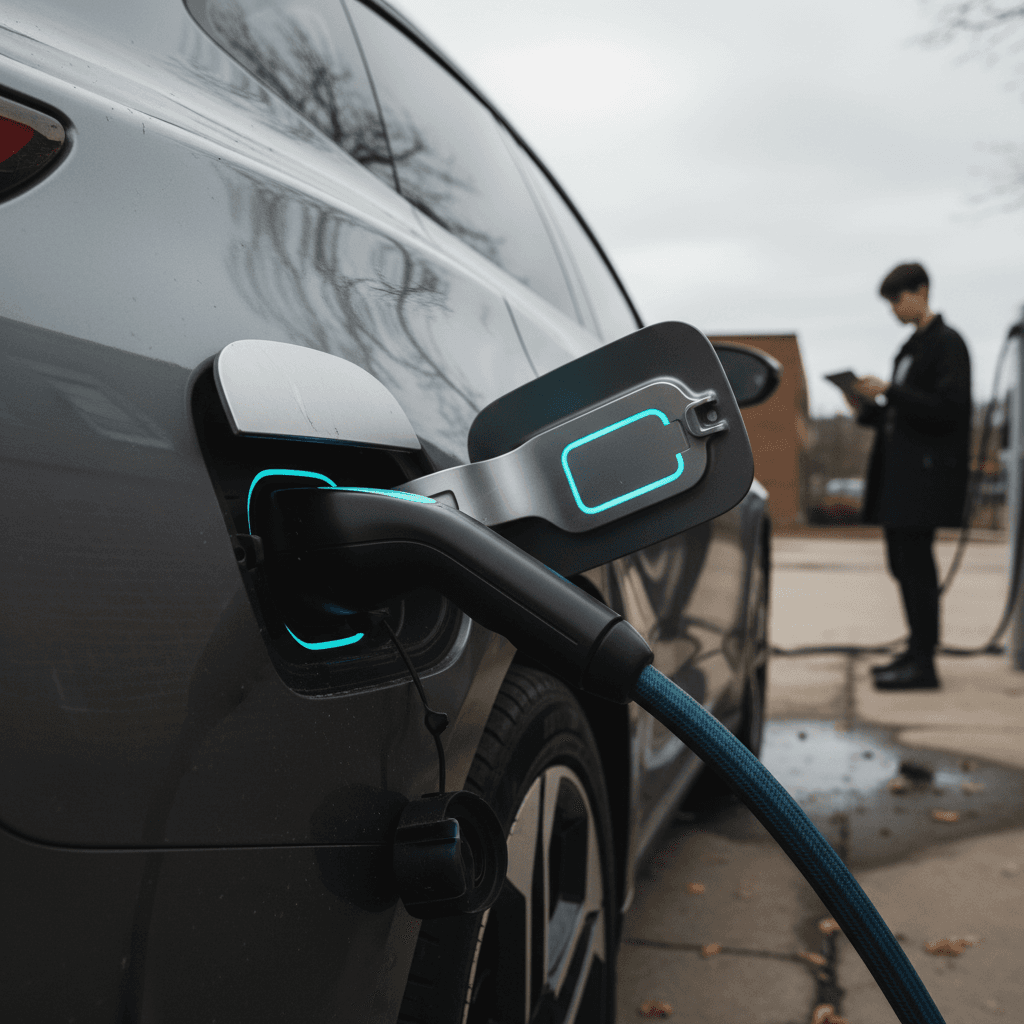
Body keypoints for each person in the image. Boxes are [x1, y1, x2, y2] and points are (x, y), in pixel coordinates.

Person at [849, 262, 972, 690]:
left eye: (898, 299)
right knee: (901, 564)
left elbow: (949, 409)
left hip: (925, 478)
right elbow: (902, 415)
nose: (894, 309)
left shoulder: (947, 343)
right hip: (899, 477)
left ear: (922, 291)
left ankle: (924, 664)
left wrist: (890, 390)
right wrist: (867, 408)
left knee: (917, 567)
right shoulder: (909, 348)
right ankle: (916, 649)